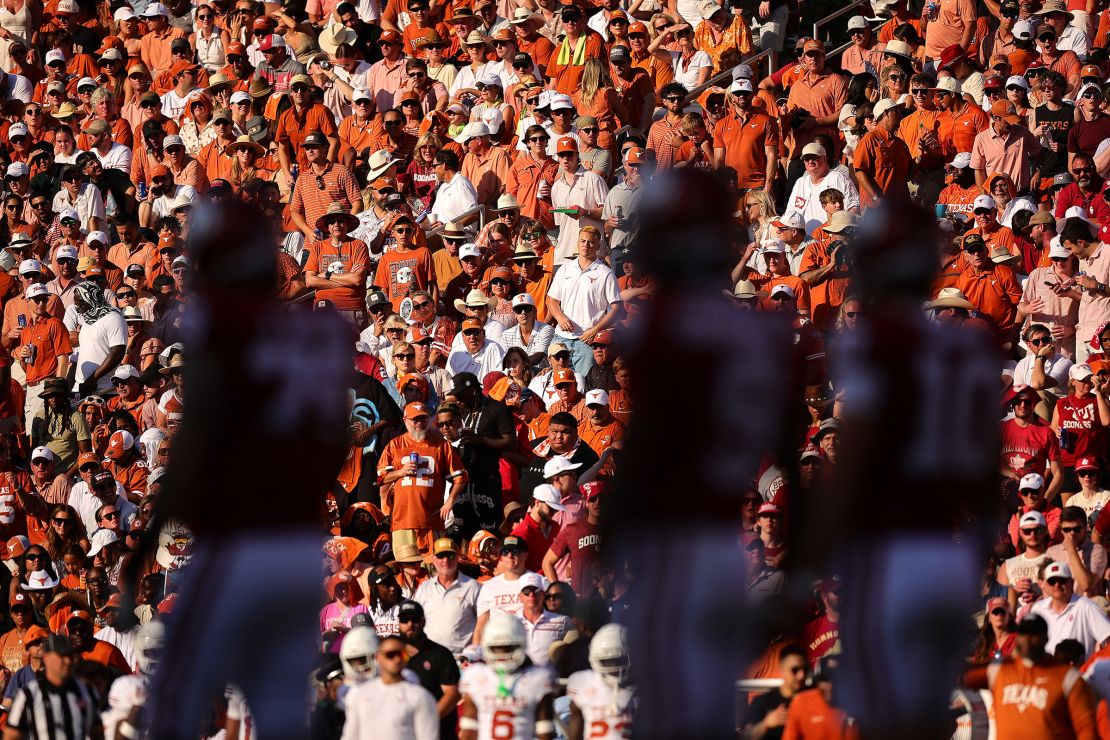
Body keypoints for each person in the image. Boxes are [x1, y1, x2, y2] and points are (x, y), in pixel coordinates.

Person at [378, 401, 467, 555]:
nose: (419, 423)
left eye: (423, 419)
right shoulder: (395, 445)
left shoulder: (441, 445)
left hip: (431, 520)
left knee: (433, 570)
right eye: (415, 419)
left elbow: (461, 477)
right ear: (405, 421)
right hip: (403, 520)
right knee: (406, 567)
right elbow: (381, 479)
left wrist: (449, 502)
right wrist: (401, 472)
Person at [459, 611, 556, 739]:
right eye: (496, 648)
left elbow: (545, 732)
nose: (502, 655)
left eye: (508, 647)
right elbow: (469, 729)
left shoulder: (538, 678)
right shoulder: (476, 676)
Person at [341, 633, 440, 740]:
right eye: (391, 655)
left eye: (402, 654)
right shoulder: (359, 694)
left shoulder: (421, 697)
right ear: (378, 657)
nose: (397, 659)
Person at [5, 634, 103, 740]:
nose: (68, 661)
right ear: (46, 657)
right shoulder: (28, 695)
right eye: (61, 656)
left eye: (70, 656)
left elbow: (97, 733)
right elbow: (11, 736)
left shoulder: (87, 691)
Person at [397, 599, 462, 740]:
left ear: (423, 621)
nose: (410, 624)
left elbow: (452, 694)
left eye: (415, 620)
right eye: (405, 620)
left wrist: (425, 720)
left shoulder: (440, 654)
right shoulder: (391, 656)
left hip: (438, 732)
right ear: (398, 623)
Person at [414, 537, 480, 656]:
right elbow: (416, 622)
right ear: (433, 559)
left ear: (457, 558)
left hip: (461, 659)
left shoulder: (473, 586)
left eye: (450, 556)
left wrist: (474, 653)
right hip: (431, 657)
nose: (445, 560)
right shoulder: (424, 588)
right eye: (441, 556)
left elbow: (482, 623)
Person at [743, 643, 808, 739]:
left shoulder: (815, 699)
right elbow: (747, 737)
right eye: (795, 670)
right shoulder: (762, 702)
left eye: (805, 669)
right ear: (782, 670)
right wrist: (766, 724)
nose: (801, 675)